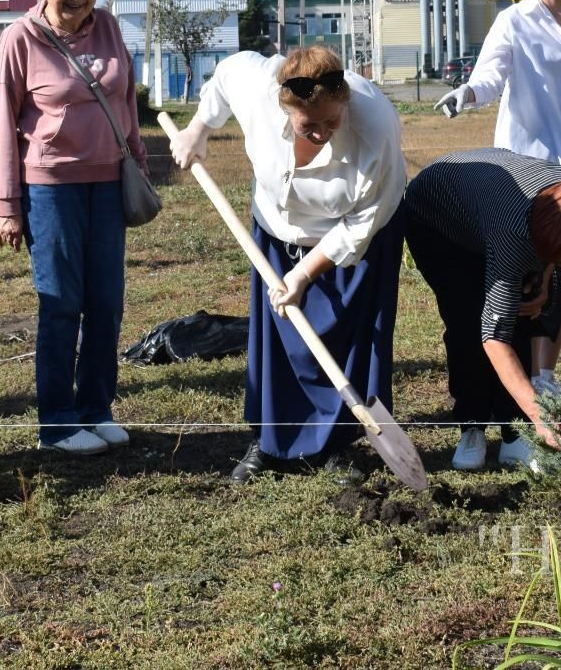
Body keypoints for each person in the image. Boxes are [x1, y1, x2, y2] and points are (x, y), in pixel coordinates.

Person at [170, 45, 406, 483]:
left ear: (346, 102)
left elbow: (360, 225)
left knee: (346, 338)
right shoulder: (260, 87)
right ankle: (270, 443)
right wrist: (198, 128)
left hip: (358, 235)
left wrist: (302, 273)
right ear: (285, 106)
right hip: (278, 228)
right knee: (278, 340)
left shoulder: (375, 127)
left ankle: (338, 446)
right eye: (307, 124)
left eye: (331, 121)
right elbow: (224, 75)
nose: (320, 132)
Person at [435, 0, 561, 394]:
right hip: (526, 164)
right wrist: (467, 93)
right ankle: (510, 375)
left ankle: (545, 372)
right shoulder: (514, 20)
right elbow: (491, 76)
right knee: (523, 263)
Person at [0, 0, 146, 456]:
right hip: (48, 189)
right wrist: (7, 206)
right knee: (62, 305)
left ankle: (96, 408)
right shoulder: (20, 38)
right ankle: (56, 423)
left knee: (107, 302)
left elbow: (124, 100)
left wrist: (137, 164)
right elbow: (0, 127)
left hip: (107, 183)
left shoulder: (108, 26)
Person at [403, 148, 561, 471]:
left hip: (493, 206)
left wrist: (546, 276)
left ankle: (514, 435)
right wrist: (541, 416)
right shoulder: (514, 233)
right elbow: (494, 337)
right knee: (468, 321)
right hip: (438, 219)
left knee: (524, 310)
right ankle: (471, 425)